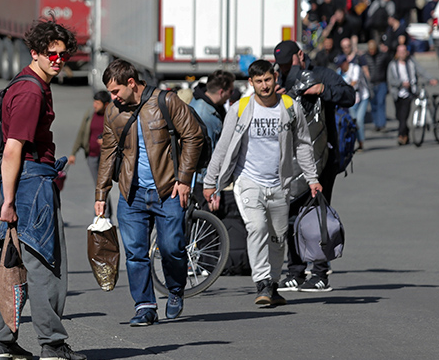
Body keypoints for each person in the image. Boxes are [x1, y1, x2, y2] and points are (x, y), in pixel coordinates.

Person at [0, 19, 86, 360]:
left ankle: (3, 342)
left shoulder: (28, 83)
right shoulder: (31, 91)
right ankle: (52, 345)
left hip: (25, 183)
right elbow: (13, 148)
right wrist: (9, 201)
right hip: (31, 184)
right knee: (46, 265)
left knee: (10, 263)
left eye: (64, 55)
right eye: (51, 54)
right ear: (35, 52)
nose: (58, 60)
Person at [203, 60, 322, 306]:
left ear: (275, 78)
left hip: (280, 183)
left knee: (278, 237)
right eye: (259, 81)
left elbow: (302, 144)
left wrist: (312, 178)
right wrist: (210, 181)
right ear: (251, 83)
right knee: (256, 227)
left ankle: (274, 283)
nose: (264, 85)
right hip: (248, 181)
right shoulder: (240, 108)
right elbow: (223, 148)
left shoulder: (289, 107)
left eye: (268, 80)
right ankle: (262, 282)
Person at [96, 59, 204, 326]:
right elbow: (108, 153)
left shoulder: (166, 102)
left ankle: (175, 290)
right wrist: (101, 194)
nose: (112, 97)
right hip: (131, 194)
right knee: (135, 252)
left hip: (168, 190)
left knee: (171, 248)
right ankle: (144, 306)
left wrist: (184, 179)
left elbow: (193, 135)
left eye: (116, 91)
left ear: (131, 83)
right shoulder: (113, 112)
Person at [273, 41, 355, 293]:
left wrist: (323, 90)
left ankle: (320, 273)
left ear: (300, 55)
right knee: (290, 216)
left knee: (316, 214)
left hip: (322, 159)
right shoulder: (280, 79)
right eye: (282, 65)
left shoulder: (322, 75)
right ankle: (296, 272)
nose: (286, 68)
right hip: (290, 160)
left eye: (289, 62)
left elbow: (350, 96)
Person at [388, 44, 438, 146]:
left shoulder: (411, 62)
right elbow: (390, 80)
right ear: (397, 53)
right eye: (400, 52)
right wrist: (401, 84)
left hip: (409, 93)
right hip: (397, 94)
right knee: (399, 116)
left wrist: (431, 79)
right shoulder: (393, 65)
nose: (402, 54)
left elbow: (422, 71)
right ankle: (405, 134)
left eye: (404, 51)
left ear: (407, 52)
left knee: (404, 116)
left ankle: (401, 136)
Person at [69, 90, 111, 184]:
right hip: (91, 155)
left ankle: (104, 199)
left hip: (106, 157)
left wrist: (107, 141)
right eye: (94, 102)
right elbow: (82, 132)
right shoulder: (90, 114)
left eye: (97, 103)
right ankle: (102, 199)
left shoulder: (111, 117)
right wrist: (73, 153)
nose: (94, 105)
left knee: (103, 184)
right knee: (97, 183)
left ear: (106, 104)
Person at [336, 54, 369, 151]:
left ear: (346, 62)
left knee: (359, 119)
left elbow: (354, 82)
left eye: (341, 64)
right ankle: (353, 141)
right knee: (353, 120)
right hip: (351, 100)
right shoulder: (339, 72)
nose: (340, 67)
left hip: (362, 97)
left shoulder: (355, 68)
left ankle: (361, 142)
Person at [361, 40, 392, 132]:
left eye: (373, 49)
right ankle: (376, 123)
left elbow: (388, 65)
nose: (372, 51)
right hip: (370, 83)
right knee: (373, 104)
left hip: (381, 82)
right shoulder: (365, 57)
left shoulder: (383, 56)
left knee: (381, 103)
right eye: (370, 50)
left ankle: (382, 124)